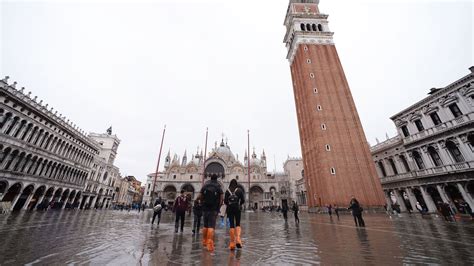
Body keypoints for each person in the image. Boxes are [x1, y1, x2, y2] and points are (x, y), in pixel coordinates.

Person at [199, 174, 223, 253]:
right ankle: (209, 244)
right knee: (211, 226)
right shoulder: (218, 186)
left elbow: (200, 196)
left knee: (205, 225)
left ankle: (204, 242)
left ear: (210, 178)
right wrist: (218, 207)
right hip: (213, 209)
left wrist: (200, 203)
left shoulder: (205, 185)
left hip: (205, 208)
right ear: (216, 179)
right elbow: (221, 199)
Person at [224, 179, 245, 250]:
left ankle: (232, 243)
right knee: (238, 224)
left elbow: (225, 201)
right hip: (237, 209)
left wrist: (229, 205)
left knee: (231, 225)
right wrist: (239, 204)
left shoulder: (227, 191)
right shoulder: (239, 190)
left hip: (230, 210)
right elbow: (243, 200)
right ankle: (238, 240)